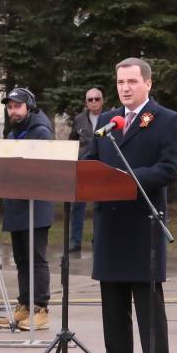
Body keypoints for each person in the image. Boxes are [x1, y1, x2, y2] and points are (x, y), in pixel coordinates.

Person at [83, 57, 177, 353]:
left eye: (131, 81)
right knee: (113, 314)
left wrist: (124, 180)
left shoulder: (166, 120)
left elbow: (169, 169)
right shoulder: (108, 121)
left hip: (144, 227)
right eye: (120, 82)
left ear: (147, 84)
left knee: (149, 316)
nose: (125, 88)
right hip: (110, 228)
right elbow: (91, 161)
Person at [0, 88, 54, 331]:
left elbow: (42, 170)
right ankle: (25, 305)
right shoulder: (13, 133)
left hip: (35, 206)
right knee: (21, 259)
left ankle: (41, 308)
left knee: (36, 259)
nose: (13, 111)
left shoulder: (41, 132)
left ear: (29, 106)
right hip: (16, 205)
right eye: (10, 107)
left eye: (17, 106)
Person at [67, 87, 104, 252]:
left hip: (102, 167)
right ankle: (75, 242)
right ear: (86, 102)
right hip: (82, 167)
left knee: (100, 206)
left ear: (102, 101)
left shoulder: (109, 118)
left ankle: (99, 241)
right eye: (90, 99)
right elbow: (72, 140)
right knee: (77, 205)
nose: (94, 102)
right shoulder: (79, 119)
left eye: (97, 99)